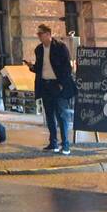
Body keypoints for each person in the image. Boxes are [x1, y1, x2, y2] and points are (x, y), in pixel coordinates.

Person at [26, 23, 76, 154]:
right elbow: (40, 67)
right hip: (45, 85)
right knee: (49, 115)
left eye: (40, 34)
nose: (39, 37)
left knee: (61, 114)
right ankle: (53, 142)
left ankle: (65, 144)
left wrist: (61, 84)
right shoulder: (39, 49)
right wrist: (31, 67)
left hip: (58, 85)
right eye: (38, 34)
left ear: (48, 34)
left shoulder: (60, 47)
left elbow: (67, 68)